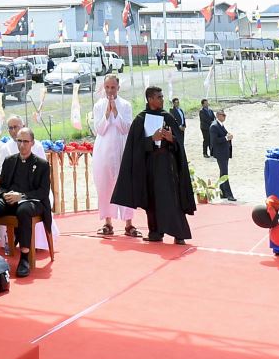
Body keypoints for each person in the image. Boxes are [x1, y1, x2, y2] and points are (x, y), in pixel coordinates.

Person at [111, 86, 194, 244]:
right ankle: (155, 232)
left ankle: (179, 234)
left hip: (166, 165)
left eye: (162, 97)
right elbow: (134, 147)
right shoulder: (140, 119)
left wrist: (171, 139)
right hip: (149, 167)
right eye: (159, 97)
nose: (162, 100)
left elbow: (179, 144)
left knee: (171, 198)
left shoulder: (167, 117)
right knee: (152, 200)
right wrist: (151, 139)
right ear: (150, 99)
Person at [0, 128, 51, 277]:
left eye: (25, 141)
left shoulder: (42, 164)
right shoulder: (9, 161)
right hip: (10, 200)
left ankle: (25, 258)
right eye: (19, 141)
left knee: (24, 210)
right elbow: (1, 185)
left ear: (32, 143)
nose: (22, 145)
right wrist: (6, 194)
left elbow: (42, 192)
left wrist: (21, 196)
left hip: (32, 201)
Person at [91, 75, 137, 238]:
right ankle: (107, 222)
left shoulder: (125, 105)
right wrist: (106, 113)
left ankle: (129, 223)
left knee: (125, 184)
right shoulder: (98, 106)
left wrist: (115, 112)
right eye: (107, 87)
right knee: (105, 185)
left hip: (121, 147)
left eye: (113, 87)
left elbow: (126, 128)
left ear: (118, 87)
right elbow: (99, 130)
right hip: (103, 149)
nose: (110, 91)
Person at [207, 109, 234, 200]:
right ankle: (229, 194)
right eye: (223, 115)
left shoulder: (220, 125)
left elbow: (223, 135)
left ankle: (223, 193)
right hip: (220, 153)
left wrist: (228, 136)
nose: (224, 117)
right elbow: (215, 141)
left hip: (224, 152)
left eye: (225, 115)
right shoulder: (214, 126)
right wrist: (226, 138)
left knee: (223, 173)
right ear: (218, 115)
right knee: (224, 174)